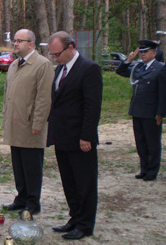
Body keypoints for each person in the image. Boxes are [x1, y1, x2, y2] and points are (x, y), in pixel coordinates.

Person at [47, 31, 103, 240]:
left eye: (57, 54)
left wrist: (86, 136)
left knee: (84, 182)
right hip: (62, 136)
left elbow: (92, 106)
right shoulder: (61, 69)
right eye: (52, 55)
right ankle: (75, 217)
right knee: (69, 182)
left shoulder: (89, 69)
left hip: (80, 139)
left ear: (71, 47)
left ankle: (85, 224)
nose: (55, 58)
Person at [2, 29, 54, 215]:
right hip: (15, 124)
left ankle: (33, 202)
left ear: (31, 44)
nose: (15, 44)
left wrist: (38, 124)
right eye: (15, 40)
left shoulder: (42, 64)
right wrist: (6, 119)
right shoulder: (14, 64)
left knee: (32, 167)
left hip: (30, 125)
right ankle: (21, 198)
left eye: (20, 41)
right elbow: (8, 95)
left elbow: (44, 98)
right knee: (18, 166)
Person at [116, 40, 166, 181]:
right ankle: (144, 168)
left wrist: (161, 113)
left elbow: (165, 93)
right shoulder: (139, 67)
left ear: (154, 53)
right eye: (141, 52)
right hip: (137, 110)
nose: (143, 54)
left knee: (152, 142)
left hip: (151, 112)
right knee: (140, 142)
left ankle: (152, 171)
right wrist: (129, 60)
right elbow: (121, 71)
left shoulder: (161, 68)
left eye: (146, 52)